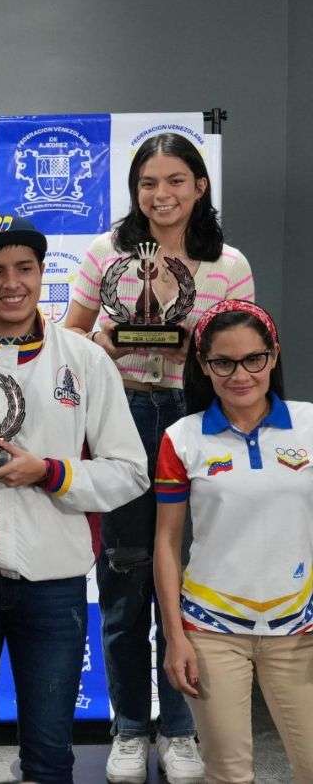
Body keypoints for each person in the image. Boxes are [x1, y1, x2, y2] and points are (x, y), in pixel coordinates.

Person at [0, 214, 149, 784]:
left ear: (43, 274)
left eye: (24, 268)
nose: (10, 283)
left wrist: (51, 472)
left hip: (52, 583)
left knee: (49, 756)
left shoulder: (85, 360)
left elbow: (130, 473)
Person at [63, 132, 252, 784]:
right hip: (121, 422)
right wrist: (104, 343)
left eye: (176, 180)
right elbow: (67, 349)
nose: (161, 194)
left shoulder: (228, 264)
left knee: (188, 583)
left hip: (197, 427)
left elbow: (244, 357)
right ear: (134, 191)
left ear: (200, 186)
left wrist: (200, 349)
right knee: (124, 579)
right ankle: (128, 727)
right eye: (149, 183)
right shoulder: (103, 254)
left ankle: (178, 728)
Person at [154, 300, 312, 783]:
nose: (240, 374)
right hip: (211, 629)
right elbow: (166, 541)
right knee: (229, 774)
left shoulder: (309, 424)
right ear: (203, 364)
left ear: (274, 355)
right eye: (223, 362)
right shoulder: (182, 438)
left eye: (253, 359)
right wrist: (175, 636)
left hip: (299, 629)